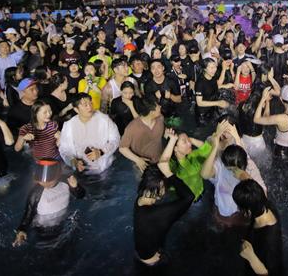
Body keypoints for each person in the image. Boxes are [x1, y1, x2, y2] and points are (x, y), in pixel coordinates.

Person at [134, 133, 194, 266]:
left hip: (142, 253)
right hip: (153, 263)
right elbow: (189, 197)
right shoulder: (158, 214)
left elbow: (161, 164)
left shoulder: (141, 196)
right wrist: (169, 174)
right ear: (160, 190)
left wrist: (172, 141)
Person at [12, 159, 85, 247]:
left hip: (63, 221)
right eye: (41, 180)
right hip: (43, 228)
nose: (44, 182)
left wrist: (76, 187)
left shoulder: (67, 181)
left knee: (67, 243)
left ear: (58, 175)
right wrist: (22, 230)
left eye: (49, 180)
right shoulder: (36, 193)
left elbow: (80, 195)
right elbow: (29, 214)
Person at [58, 93, 120, 175]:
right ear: (76, 109)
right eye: (85, 105)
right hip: (80, 169)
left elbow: (116, 139)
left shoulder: (104, 120)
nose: (89, 107)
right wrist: (73, 161)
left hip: (102, 168)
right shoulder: (69, 126)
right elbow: (64, 149)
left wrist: (101, 152)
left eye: (91, 103)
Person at [233, 179, 284, 276]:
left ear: (248, 211)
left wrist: (251, 256)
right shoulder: (264, 205)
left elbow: (269, 273)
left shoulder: (269, 240)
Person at [254, 85, 288, 159]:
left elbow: (256, 119)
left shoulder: (280, 118)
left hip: (281, 151)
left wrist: (264, 99)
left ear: (281, 99)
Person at [119, 98, 165, 172]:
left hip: (159, 160)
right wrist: (137, 160)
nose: (160, 106)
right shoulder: (132, 127)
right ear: (151, 112)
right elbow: (122, 148)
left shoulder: (160, 118)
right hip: (143, 164)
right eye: (157, 106)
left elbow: (160, 134)